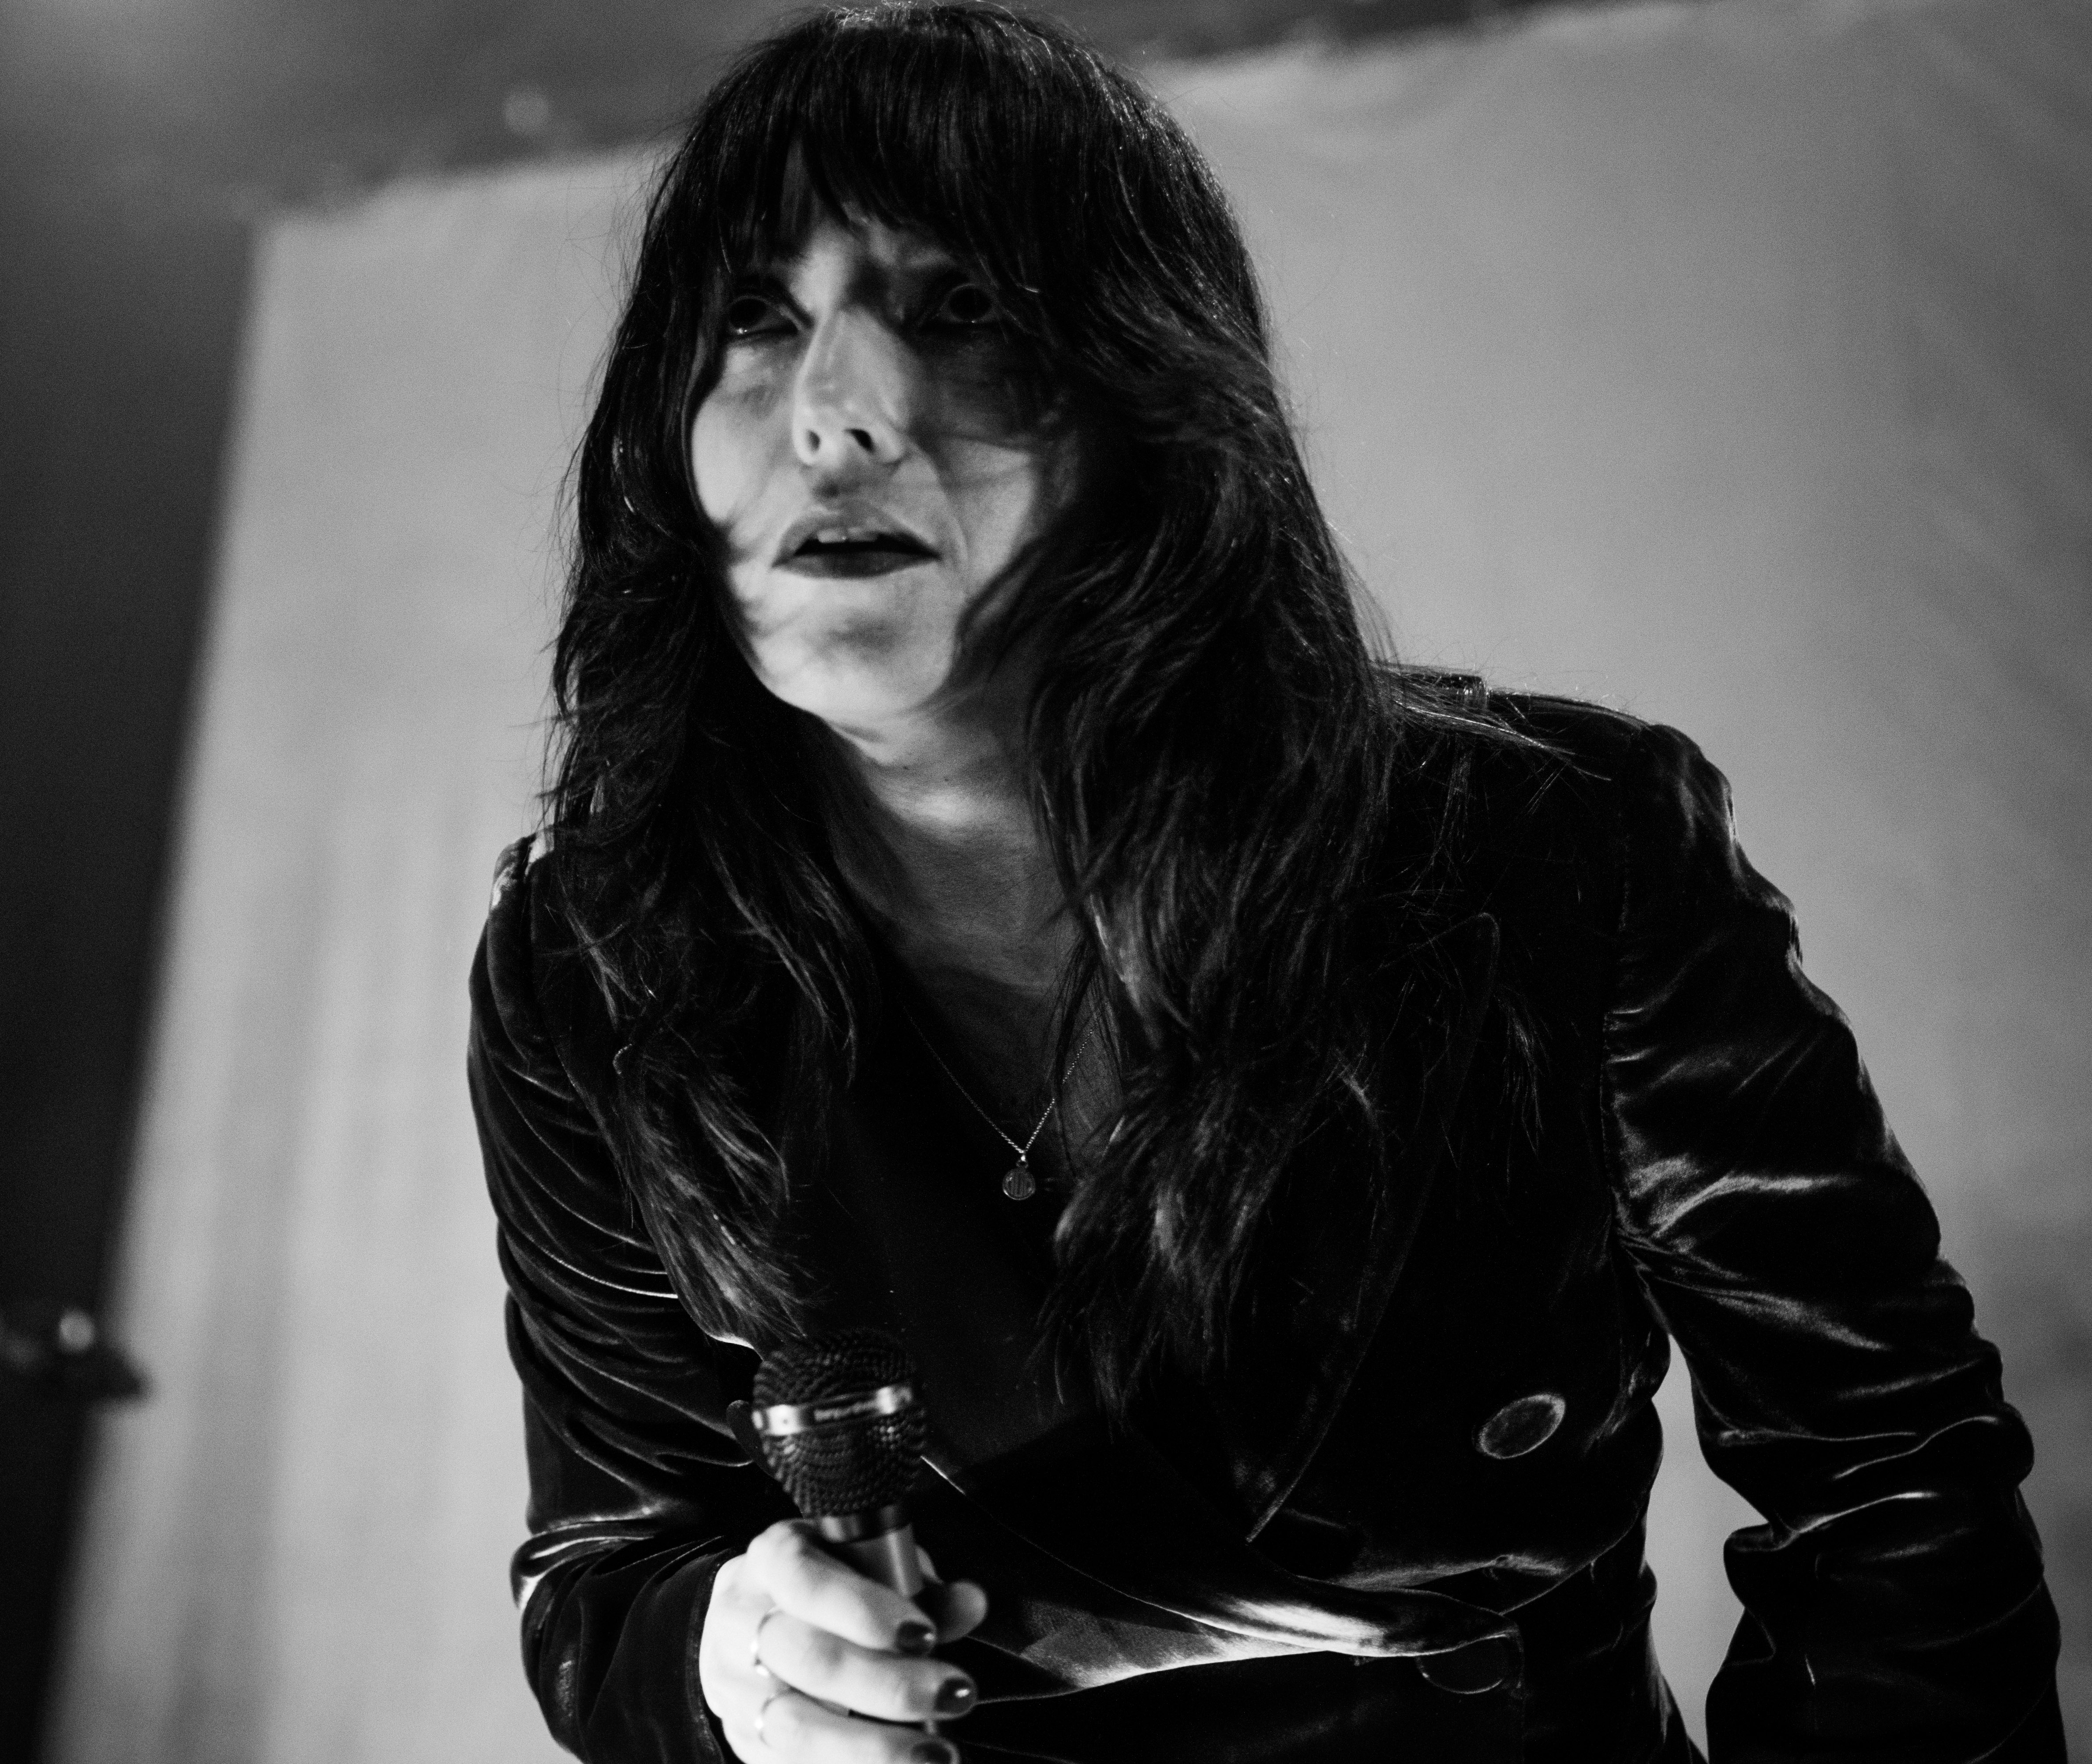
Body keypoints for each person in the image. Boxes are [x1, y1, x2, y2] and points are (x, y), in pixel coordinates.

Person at [464, 7, 2062, 1760]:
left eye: (961, 306)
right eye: (759, 320)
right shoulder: (593, 962)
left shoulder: (1556, 847)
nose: (834, 414)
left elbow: (1888, 1477)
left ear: (1149, 398)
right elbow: (611, 1569)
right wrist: (728, 1664)